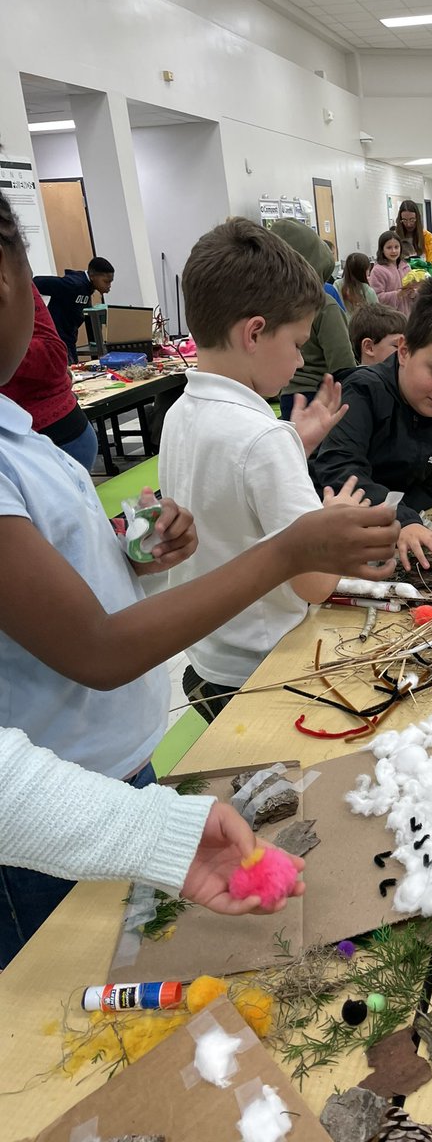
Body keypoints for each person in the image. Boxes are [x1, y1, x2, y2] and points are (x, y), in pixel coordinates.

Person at [0, 190, 400, 959]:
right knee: (75, 989)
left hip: (105, 767)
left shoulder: (59, 431)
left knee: (138, 951)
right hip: (51, 814)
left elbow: (58, 597)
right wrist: (294, 551)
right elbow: (97, 647)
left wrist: (132, 558)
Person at [160, 218, 377, 721]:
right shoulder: (263, 437)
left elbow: (226, 504)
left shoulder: (180, 414)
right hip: (264, 666)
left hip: (210, 657)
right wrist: (334, 522)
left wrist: (292, 449)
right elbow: (315, 584)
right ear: (255, 332)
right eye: (299, 342)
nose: (301, 356)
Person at [0, 725, 304, 917]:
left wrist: (166, 832)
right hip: (27, 835)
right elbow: (97, 649)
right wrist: (157, 828)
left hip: (119, 771)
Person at [313, 276, 432, 572]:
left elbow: (431, 487)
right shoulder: (363, 392)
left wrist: (406, 521)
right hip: (329, 535)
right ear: (405, 351)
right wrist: (399, 519)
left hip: (387, 537)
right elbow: (339, 468)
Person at [0, 283, 98, 471]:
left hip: (56, 435)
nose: (108, 287)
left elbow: (53, 354)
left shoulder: (74, 286)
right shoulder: (72, 286)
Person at [270, 218, 355, 421]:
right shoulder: (323, 304)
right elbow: (343, 365)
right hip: (320, 398)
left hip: (287, 394)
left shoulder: (269, 303)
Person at [34, 257, 114, 362]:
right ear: (93, 276)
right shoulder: (73, 284)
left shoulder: (88, 288)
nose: (109, 286)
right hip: (57, 338)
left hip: (69, 339)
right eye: (106, 281)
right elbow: (36, 282)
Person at [370, 230, 417, 316]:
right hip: (390, 320)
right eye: (389, 247)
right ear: (382, 249)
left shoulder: (406, 266)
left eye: (396, 247)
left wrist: (413, 293)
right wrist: (398, 294)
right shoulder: (378, 271)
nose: (394, 251)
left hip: (408, 317)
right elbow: (376, 298)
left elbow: (413, 295)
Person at [394, 200, 432, 278]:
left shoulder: (427, 237)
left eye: (412, 219)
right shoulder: (395, 237)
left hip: (425, 281)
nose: (408, 224)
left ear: (417, 218)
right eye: (405, 220)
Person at [334, 251, 377, 317]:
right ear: (365, 271)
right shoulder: (368, 291)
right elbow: (376, 313)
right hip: (362, 325)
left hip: (340, 324)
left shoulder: (337, 284)